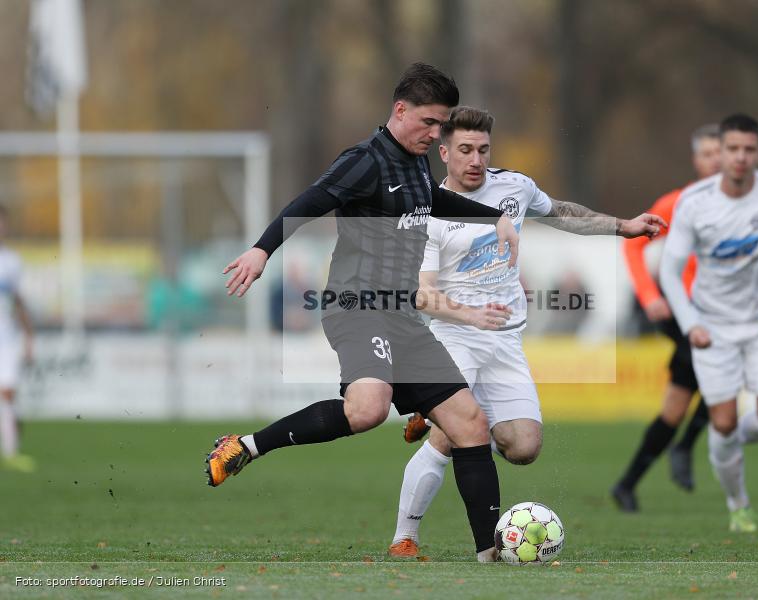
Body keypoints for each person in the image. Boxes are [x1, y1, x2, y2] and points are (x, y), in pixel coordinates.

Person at [204, 64, 521, 562]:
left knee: (470, 425)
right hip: (357, 306)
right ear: (400, 111)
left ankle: (491, 554)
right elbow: (309, 201)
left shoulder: (415, 160)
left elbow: (432, 198)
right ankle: (244, 446)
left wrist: (496, 216)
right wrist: (262, 250)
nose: (435, 134)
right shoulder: (365, 161)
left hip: (401, 315)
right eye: (429, 123)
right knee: (368, 408)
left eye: (442, 126)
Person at [388, 106, 665, 557]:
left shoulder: (514, 187)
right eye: (464, 150)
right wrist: (470, 315)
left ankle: (429, 410)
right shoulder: (427, 213)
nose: (475, 159)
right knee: (455, 433)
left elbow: (561, 213)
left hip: (506, 339)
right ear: (443, 153)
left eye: (482, 149)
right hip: (452, 337)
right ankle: (406, 535)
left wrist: (623, 227)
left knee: (523, 446)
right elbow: (421, 295)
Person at [660, 114, 758, 532]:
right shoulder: (694, 202)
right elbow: (670, 271)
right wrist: (690, 321)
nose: (741, 157)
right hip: (713, 328)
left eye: (749, 149)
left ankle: (723, 443)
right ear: (722, 151)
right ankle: (738, 504)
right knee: (725, 420)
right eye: (733, 149)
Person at [611, 124, 721, 512]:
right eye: (707, 153)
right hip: (681, 312)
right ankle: (686, 447)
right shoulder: (678, 202)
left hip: (722, 315)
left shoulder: (748, 206)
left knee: (676, 404)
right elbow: (634, 247)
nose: (716, 160)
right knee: (722, 371)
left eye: (720, 152)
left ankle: (626, 484)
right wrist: (650, 295)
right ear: (696, 160)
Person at [0, 207, 36, 472]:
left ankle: (11, 454)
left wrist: (28, 336)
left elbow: (20, 302)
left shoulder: (11, 261)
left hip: (5, 337)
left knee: (7, 393)